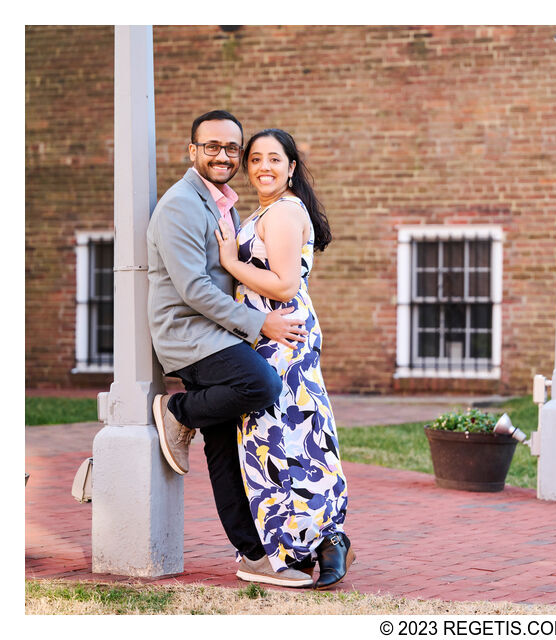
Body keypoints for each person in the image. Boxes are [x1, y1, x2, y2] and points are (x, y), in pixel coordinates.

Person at [147, 110, 314, 588]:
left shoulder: (223, 204)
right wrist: (260, 323)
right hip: (189, 334)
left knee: (224, 448)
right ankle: (179, 410)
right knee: (259, 382)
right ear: (192, 150)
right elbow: (194, 288)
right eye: (212, 146)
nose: (223, 155)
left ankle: (253, 556)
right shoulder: (181, 204)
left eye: (231, 148)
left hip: (218, 333)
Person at [214, 128, 354, 589]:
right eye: (255, 159)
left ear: (291, 167)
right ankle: (314, 541)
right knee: (283, 438)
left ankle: (325, 536)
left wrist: (232, 262)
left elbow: (285, 285)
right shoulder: (268, 211)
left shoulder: (286, 211)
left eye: (274, 159)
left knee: (289, 436)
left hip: (284, 335)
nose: (263, 167)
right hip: (268, 335)